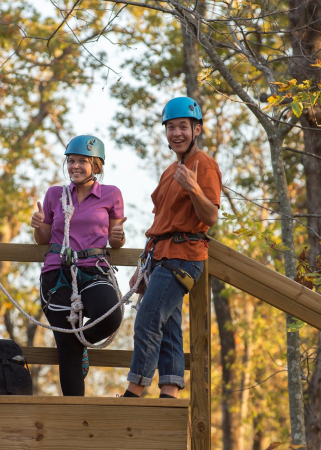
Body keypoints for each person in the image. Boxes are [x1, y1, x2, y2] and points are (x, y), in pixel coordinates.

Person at [123, 97, 221, 399]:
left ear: (197, 130)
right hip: (160, 256)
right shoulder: (169, 171)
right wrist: (143, 263)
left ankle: (134, 391)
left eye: (183, 127)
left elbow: (210, 217)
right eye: (171, 128)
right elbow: (160, 220)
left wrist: (193, 188)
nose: (176, 133)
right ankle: (170, 392)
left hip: (184, 256)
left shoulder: (203, 165)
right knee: (167, 326)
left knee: (148, 320)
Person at [30, 135, 127, 396]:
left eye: (82, 161)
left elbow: (116, 239)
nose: (75, 166)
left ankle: (76, 344)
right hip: (57, 272)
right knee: (67, 349)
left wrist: (118, 238)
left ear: (96, 165)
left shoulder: (111, 194)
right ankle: (74, 414)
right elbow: (43, 239)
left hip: (94, 268)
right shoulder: (55, 194)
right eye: (71, 161)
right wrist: (39, 226)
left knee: (111, 316)